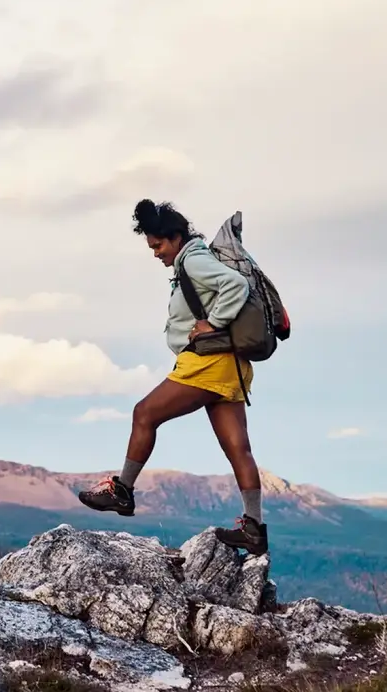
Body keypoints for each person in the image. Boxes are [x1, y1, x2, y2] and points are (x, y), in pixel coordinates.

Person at [77, 199, 268, 555]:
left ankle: (122, 492)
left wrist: (214, 323)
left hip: (207, 362)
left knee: (144, 414)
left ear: (176, 237)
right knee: (238, 449)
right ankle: (254, 529)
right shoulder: (190, 261)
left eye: (158, 245)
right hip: (230, 365)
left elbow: (236, 286)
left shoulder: (194, 259)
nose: (155, 253)